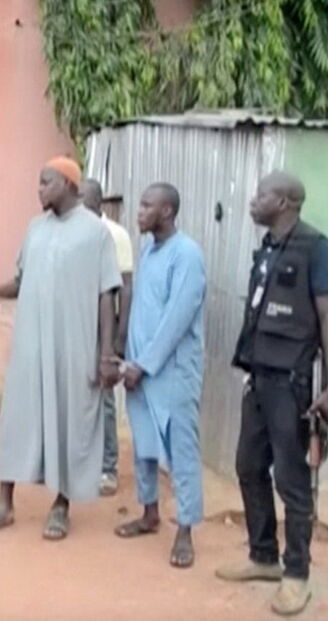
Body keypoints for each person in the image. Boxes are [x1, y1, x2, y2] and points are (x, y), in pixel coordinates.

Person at [0, 157, 121, 540]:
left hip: (73, 346)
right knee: (16, 419)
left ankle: (61, 505)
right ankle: (4, 502)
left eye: (45, 182)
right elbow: (23, 281)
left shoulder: (95, 233)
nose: (38, 189)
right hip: (30, 346)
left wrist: (106, 355)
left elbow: (108, 295)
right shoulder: (35, 228)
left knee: (69, 421)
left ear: (69, 185)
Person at [216, 171, 328, 616]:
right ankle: (264, 556)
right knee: (248, 466)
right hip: (259, 378)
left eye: (262, 195)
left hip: (293, 384)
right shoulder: (269, 248)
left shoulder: (317, 248)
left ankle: (296, 575)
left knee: (292, 480)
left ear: (286, 202)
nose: (253, 201)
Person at [114, 183, 206, 569]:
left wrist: (144, 364)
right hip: (139, 369)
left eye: (147, 205)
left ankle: (185, 530)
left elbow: (176, 320)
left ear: (167, 211)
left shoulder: (187, 254)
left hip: (171, 371)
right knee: (145, 445)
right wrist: (126, 359)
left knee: (181, 448)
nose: (139, 211)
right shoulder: (150, 249)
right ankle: (149, 513)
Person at [82, 179, 134, 496]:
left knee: (104, 397)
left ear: (98, 203)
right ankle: (83, 463)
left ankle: (108, 467)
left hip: (105, 326)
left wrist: (118, 339)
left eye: (84, 200)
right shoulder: (73, 232)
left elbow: (125, 288)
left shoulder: (115, 235)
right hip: (77, 324)